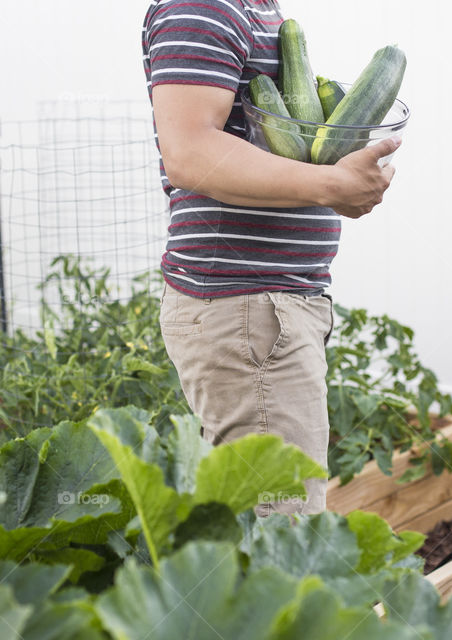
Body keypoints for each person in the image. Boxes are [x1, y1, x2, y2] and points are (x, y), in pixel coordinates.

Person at [142, 0, 399, 516]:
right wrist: (332, 183)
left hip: (264, 309)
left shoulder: (255, 8)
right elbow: (190, 151)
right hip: (247, 308)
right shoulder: (204, 4)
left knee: (264, 524)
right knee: (282, 536)